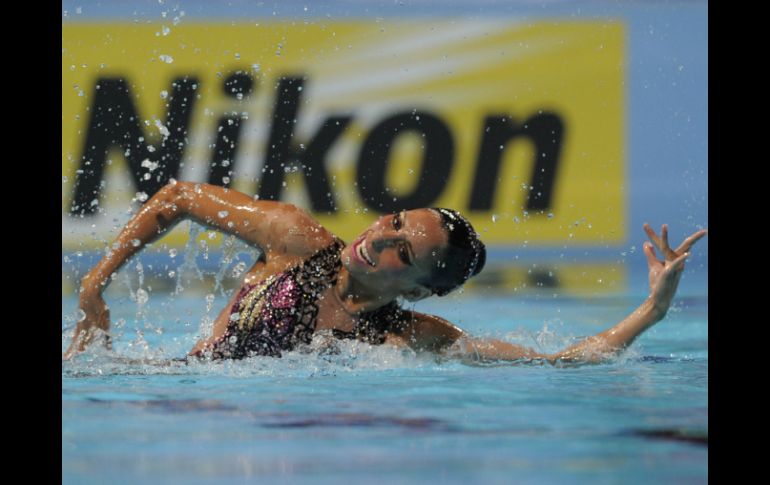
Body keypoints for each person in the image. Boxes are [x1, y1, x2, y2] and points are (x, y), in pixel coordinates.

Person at [64, 180, 707, 365]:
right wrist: (97, 282)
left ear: (423, 287)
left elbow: (560, 361)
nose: (379, 238)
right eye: (394, 222)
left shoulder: (409, 339)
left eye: (404, 250)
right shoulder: (296, 241)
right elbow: (176, 198)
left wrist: (649, 313)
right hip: (174, 387)